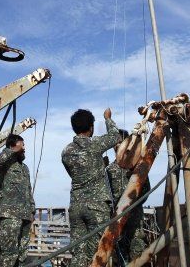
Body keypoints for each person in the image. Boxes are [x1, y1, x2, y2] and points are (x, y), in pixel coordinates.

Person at [61, 108, 122, 267]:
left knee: (78, 252)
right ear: (91, 127)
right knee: (97, 253)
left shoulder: (66, 151)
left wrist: (98, 166)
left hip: (76, 206)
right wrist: (108, 118)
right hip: (96, 207)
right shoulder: (95, 143)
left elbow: (75, 173)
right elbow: (115, 136)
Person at [107, 130, 150, 262]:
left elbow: (146, 191)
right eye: (116, 142)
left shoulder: (137, 167)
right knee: (119, 257)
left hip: (135, 220)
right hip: (117, 221)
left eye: (121, 142)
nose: (118, 145)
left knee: (137, 255)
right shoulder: (109, 169)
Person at [0, 135, 34, 267]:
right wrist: (13, 149)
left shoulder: (25, 168)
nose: (24, 148)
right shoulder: (5, 164)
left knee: (22, 254)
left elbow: (29, 189)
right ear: (13, 145)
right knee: (9, 253)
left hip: (25, 215)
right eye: (22, 144)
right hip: (10, 215)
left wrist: (32, 210)